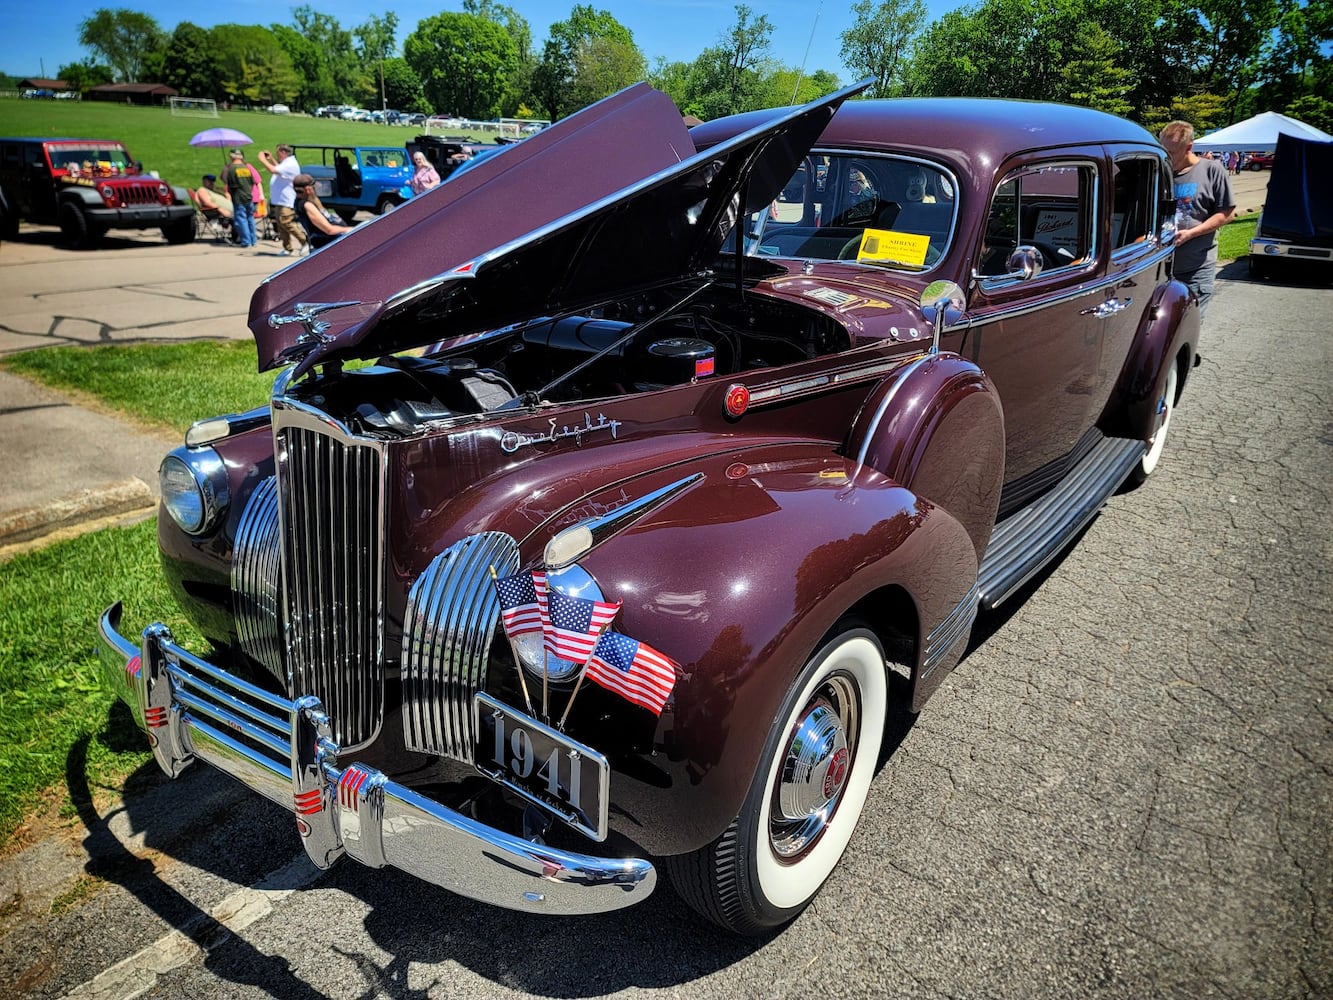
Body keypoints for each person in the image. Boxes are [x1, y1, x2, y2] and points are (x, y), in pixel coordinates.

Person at [1158, 121, 1236, 319]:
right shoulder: (1160, 173)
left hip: (1195, 268)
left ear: (1189, 147)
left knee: (1187, 325)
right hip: (1159, 270)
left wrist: (1191, 233)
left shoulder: (1212, 170)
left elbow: (1227, 213)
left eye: (1172, 152)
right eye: (1163, 150)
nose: (1166, 157)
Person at [258, 144, 306, 256]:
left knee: (286, 222)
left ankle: (305, 242)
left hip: (286, 200)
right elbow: (279, 169)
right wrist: (272, 160)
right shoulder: (286, 163)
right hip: (279, 200)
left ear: (283, 152)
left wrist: (262, 159)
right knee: (280, 224)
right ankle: (287, 248)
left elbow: (273, 170)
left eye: (278, 153)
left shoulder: (290, 164)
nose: (277, 155)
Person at [292, 173, 354, 251]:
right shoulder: (307, 205)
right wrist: (350, 229)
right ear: (308, 190)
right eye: (314, 188)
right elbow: (329, 230)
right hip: (327, 247)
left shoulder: (307, 202)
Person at [221, 148, 259, 248]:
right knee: (250, 218)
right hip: (248, 197)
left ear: (231, 157)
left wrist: (226, 170)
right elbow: (252, 182)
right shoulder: (246, 168)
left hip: (238, 198)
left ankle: (246, 241)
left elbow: (228, 183)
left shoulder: (232, 169)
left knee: (241, 220)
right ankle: (253, 240)